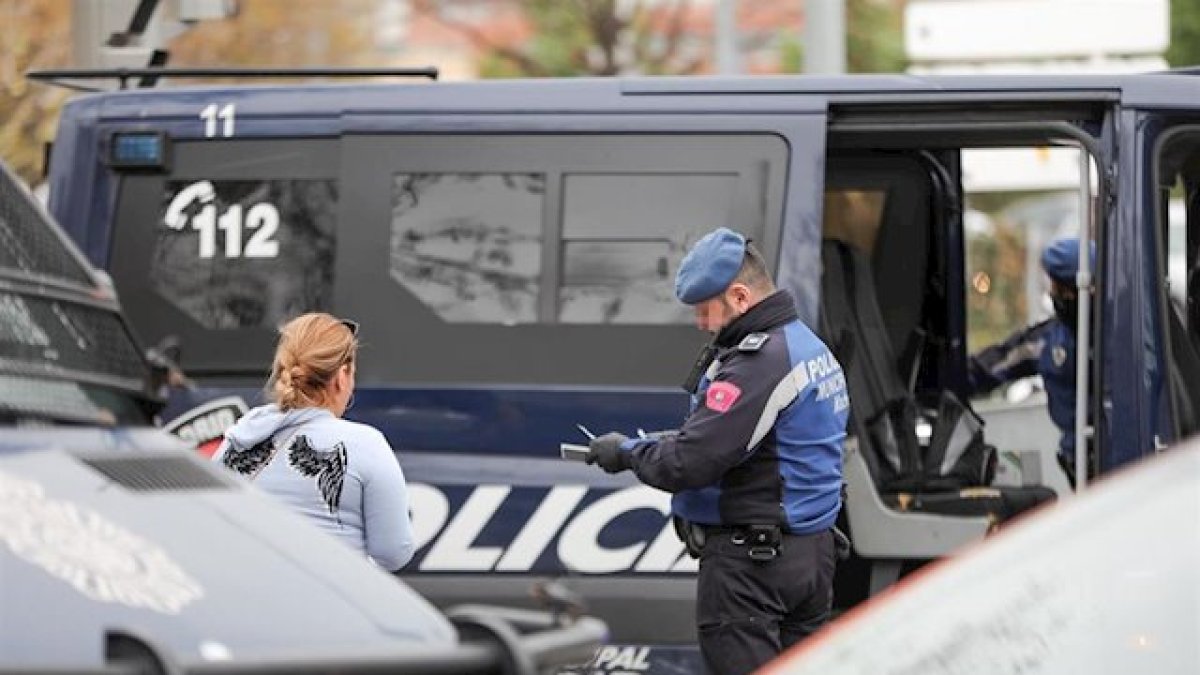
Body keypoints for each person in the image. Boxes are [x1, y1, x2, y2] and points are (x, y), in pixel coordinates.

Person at [584, 227, 848, 675]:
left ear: (740, 297)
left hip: (754, 571)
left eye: (705, 310)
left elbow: (690, 462)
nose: (701, 324)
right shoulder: (806, 344)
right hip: (809, 557)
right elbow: (762, 442)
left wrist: (627, 452)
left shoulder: (760, 363)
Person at [212, 312, 416, 571]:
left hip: (242, 599)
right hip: (326, 602)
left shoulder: (238, 438)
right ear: (342, 376)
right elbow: (394, 551)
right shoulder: (365, 444)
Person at [967, 236, 1093, 483]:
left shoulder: (1121, 336)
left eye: (1061, 289)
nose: (1054, 294)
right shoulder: (1046, 341)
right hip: (1079, 466)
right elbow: (991, 366)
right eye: (1056, 288)